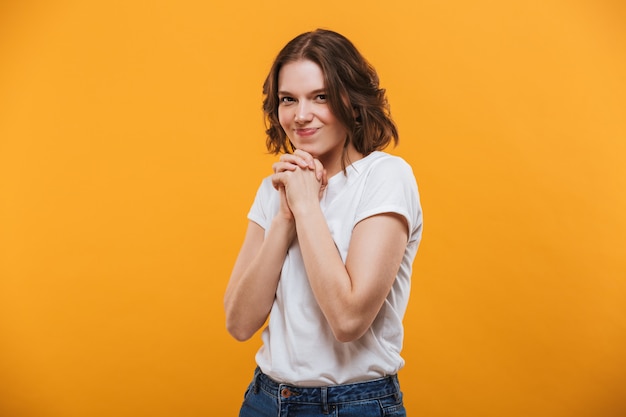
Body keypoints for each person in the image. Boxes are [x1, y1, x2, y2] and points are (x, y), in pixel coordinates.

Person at [224, 28, 423, 417]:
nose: (301, 115)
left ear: (352, 99)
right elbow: (240, 322)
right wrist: (284, 217)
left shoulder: (385, 177)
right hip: (266, 400)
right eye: (288, 100)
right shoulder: (275, 189)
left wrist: (306, 208)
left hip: (357, 405)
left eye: (320, 97)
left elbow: (348, 319)